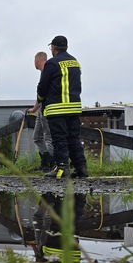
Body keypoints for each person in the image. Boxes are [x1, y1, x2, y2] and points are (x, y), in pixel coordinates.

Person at [36, 35, 88, 179]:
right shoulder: (75, 63)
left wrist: (40, 100)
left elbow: (42, 87)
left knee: (59, 140)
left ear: (53, 48)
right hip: (74, 108)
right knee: (74, 139)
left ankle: (62, 168)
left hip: (57, 109)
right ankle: (81, 168)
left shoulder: (52, 64)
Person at [28, 51, 55, 173]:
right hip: (40, 108)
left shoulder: (47, 72)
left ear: (37, 61)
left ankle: (51, 163)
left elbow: (43, 93)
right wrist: (34, 109)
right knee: (37, 137)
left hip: (46, 108)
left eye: (34, 61)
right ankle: (46, 159)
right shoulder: (42, 73)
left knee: (48, 136)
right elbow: (40, 93)